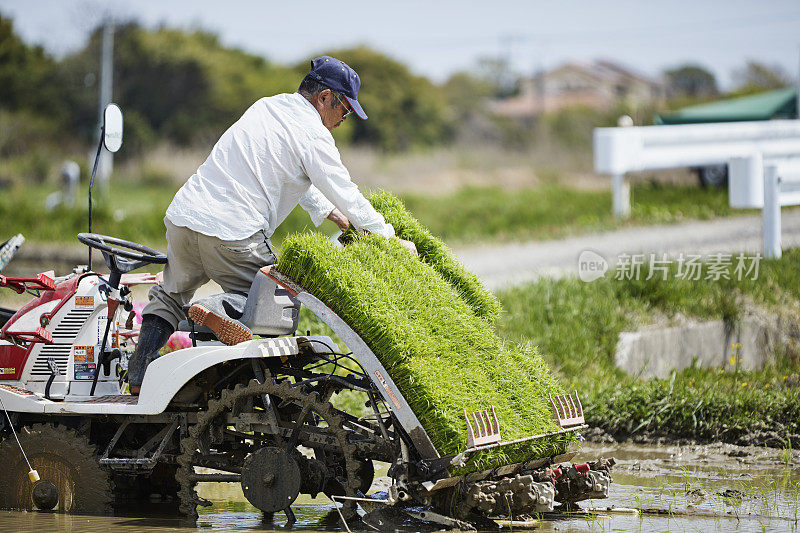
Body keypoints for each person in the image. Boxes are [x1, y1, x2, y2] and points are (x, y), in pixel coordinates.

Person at [127, 55, 417, 394]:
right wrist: (388, 237)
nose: (343, 119)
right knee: (276, 306)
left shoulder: (268, 107)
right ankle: (212, 309)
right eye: (345, 109)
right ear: (324, 97)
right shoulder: (313, 134)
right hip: (233, 234)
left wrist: (327, 212)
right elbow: (346, 190)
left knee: (170, 295)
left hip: (184, 220)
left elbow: (286, 174)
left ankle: (138, 375)